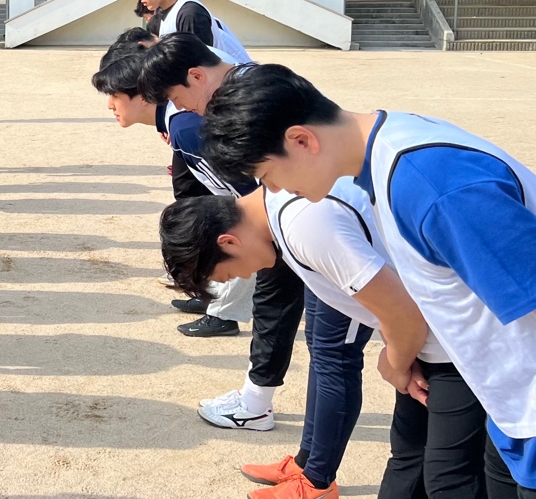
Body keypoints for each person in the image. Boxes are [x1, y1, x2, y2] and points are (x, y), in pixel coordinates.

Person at [202, 64, 536, 499]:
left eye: (269, 177)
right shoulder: (388, 154)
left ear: (301, 140)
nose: (276, 191)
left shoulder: (428, 181)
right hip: (518, 408)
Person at [159, 182, 484, 499]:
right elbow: (386, 304)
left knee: (449, 475)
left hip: (461, 331)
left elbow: (402, 312)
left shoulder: (305, 226)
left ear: (229, 242)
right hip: (432, 331)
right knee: (411, 453)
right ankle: (309, 467)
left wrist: (397, 363)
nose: (244, 277)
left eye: (230, 274)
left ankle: (317, 480)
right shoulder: (277, 205)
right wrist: (402, 353)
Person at [139, 34, 309, 430]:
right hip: (289, 219)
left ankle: (290, 439)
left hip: (304, 220)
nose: (180, 108)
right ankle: (257, 401)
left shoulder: (250, 99)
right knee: (291, 315)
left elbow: (278, 176)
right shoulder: (244, 87)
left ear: (196, 76)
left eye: (177, 98)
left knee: (330, 344)